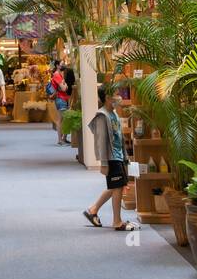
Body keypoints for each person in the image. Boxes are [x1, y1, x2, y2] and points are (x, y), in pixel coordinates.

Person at [83, 85, 137, 231]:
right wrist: (104, 162)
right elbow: (101, 141)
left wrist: (125, 157)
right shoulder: (102, 116)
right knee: (117, 186)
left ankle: (93, 210)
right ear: (107, 97)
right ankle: (117, 221)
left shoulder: (114, 114)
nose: (119, 95)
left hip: (118, 156)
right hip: (111, 157)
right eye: (116, 93)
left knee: (116, 186)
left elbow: (119, 138)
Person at [48, 66, 71, 145]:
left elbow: (65, 87)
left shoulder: (59, 76)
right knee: (61, 119)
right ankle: (60, 140)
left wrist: (64, 84)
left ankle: (63, 138)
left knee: (65, 119)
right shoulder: (57, 76)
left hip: (63, 98)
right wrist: (64, 84)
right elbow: (64, 88)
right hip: (60, 99)